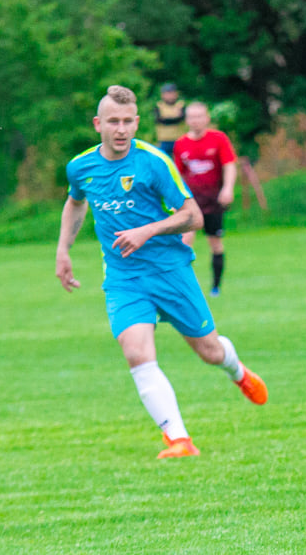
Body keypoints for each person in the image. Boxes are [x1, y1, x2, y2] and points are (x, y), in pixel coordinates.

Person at [56, 86, 268, 460]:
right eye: (113, 122)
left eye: (127, 122)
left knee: (209, 351)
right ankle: (179, 440)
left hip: (170, 271)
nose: (120, 130)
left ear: (137, 122)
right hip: (124, 278)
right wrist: (63, 250)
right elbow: (75, 204)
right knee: (136, 352)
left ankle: (237, 371)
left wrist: (147, 230)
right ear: (97, 124)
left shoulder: (153, 161)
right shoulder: (81, 167)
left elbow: (193, 216)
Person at [173, 102, 237, 297]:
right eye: (192, 117)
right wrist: (176, 201)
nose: (196, 120)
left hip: (213, 200)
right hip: (192, 201)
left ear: (207, 118)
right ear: (186, 120)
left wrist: (228, 188)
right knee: (185, 241)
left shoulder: (218, 139)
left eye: (199, 116)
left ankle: (216, 287)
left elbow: (229, 164)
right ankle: (183, 287)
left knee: (215, 242)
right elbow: (177, 175)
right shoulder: (181, 144)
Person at [154, 83, 186, 156]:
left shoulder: (181, 105)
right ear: (162, 95)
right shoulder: (159, 106)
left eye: (171, 93)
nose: (169, 96)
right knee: (163, 159)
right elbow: (159, 120)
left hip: (179, 139)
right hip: (164, 140)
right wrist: (176, 118)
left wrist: (166, 119)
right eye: (167, 93)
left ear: (176, 94)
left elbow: (182, 119)